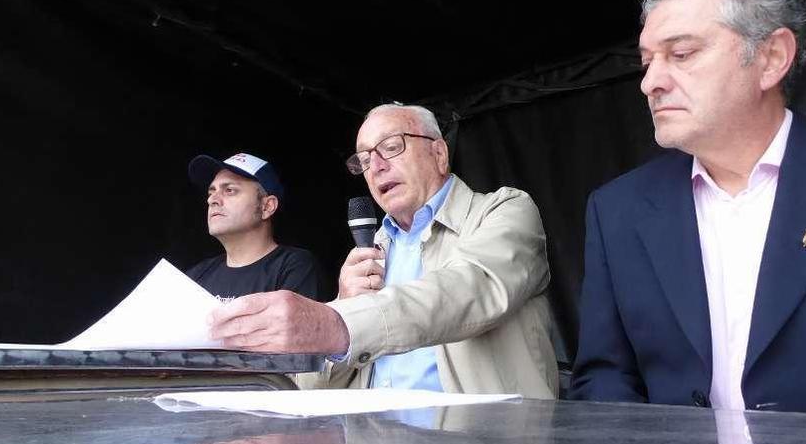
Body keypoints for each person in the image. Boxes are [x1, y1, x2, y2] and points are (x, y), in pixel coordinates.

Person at [569, 0, 806, 416]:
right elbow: (605, 379)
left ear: (770, 58)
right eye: (646, 61)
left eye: (681, 54)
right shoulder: (617, 210)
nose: (649, 82)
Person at [208, 104, 558, 399]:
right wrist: (343, 304)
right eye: (363, 159)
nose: (375, 167)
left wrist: (339, 322)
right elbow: (316, 389)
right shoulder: (371, 251)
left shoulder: (505, 210)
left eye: (391, 147)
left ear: (438, 153)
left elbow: (470, 288)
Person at [186, 152, 320, 302]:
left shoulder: (293, 266)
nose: (212, 200)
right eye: (212, 192)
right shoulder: (196, 275)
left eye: (229, 190)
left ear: (266, 207)